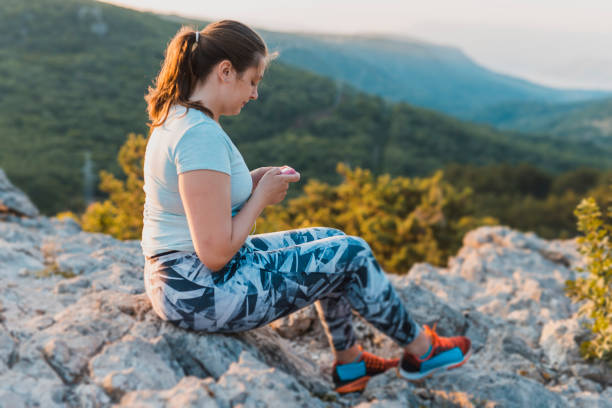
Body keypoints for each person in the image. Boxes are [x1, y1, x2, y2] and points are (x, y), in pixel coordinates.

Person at [141, 20, 472, 394]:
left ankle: (350, 365)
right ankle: (421, 351)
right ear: (225, 71)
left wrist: (249, 183)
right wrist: (260, 198)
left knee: (330, 239)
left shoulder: (181, 117)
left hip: (185, 282)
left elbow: (201, 199)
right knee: (353, 253)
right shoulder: (198, 135)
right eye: (253, 81)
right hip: (200, 290)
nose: (254, 94)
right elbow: (215, 252)